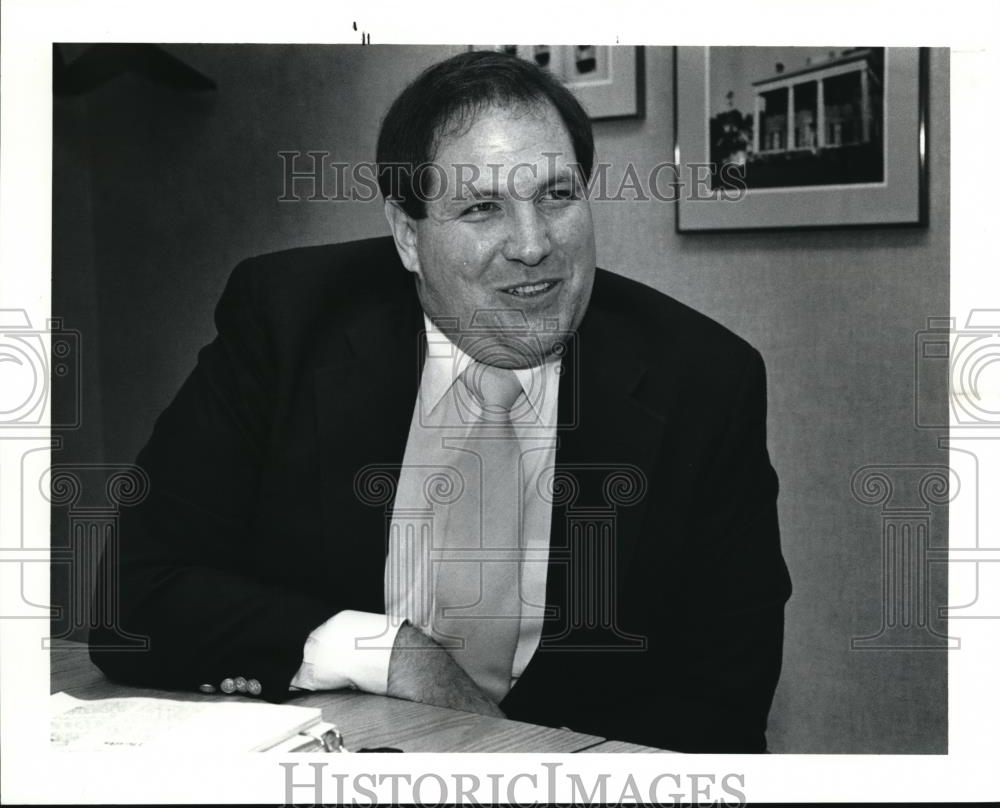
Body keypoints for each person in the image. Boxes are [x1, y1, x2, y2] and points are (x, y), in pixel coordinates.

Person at [90, 50, 792, 753]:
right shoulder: (288, 324)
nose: (533, 244)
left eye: (557, 195)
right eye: (482, 207)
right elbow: (132, 599)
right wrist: (393, 651)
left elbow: (724, 706)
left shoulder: (703, 380)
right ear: (407, 235)